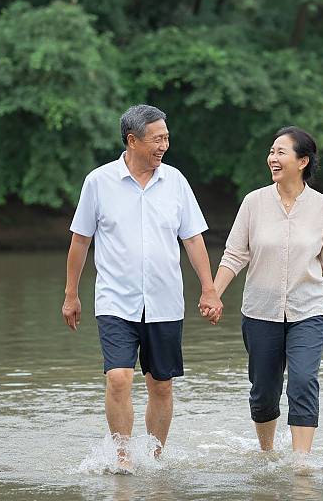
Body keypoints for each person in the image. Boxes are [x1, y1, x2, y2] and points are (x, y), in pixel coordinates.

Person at [62, 104, 223, 473]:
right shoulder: (98, 182)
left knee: (161, 385)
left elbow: (194, 240)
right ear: (132, 140)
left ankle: (154, 458)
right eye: (158, 138)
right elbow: (80, 241)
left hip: (165, 301)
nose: (165, 145)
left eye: (167, 137)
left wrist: (209, 289)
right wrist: (71, 294)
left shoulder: (176, 181)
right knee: (119, 377)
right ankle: (122, 460)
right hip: (115, 300)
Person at [204, 126, 323, 454]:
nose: (272, 158)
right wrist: (213, 293)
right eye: (271, 152)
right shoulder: (253, 203)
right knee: (264, 391)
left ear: (302, 161)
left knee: (302, 381)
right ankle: (267, 453)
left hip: (309, 311)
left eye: (280, 152)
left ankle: (301, 465)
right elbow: (235, 253)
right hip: (260, 311)